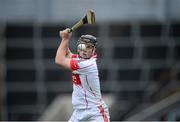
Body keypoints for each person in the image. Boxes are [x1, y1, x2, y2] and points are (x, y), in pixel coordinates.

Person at [55, 28, 110, 122]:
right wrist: (65, 38)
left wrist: (65, 39)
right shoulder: (81, 60)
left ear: (93, 50)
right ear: (78, 48)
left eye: (88, 47)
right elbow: (67, 53)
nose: (84, 50)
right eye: (82, 46)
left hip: (95, 113)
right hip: (78, 112)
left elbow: (59, 60)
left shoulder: (87, 65)